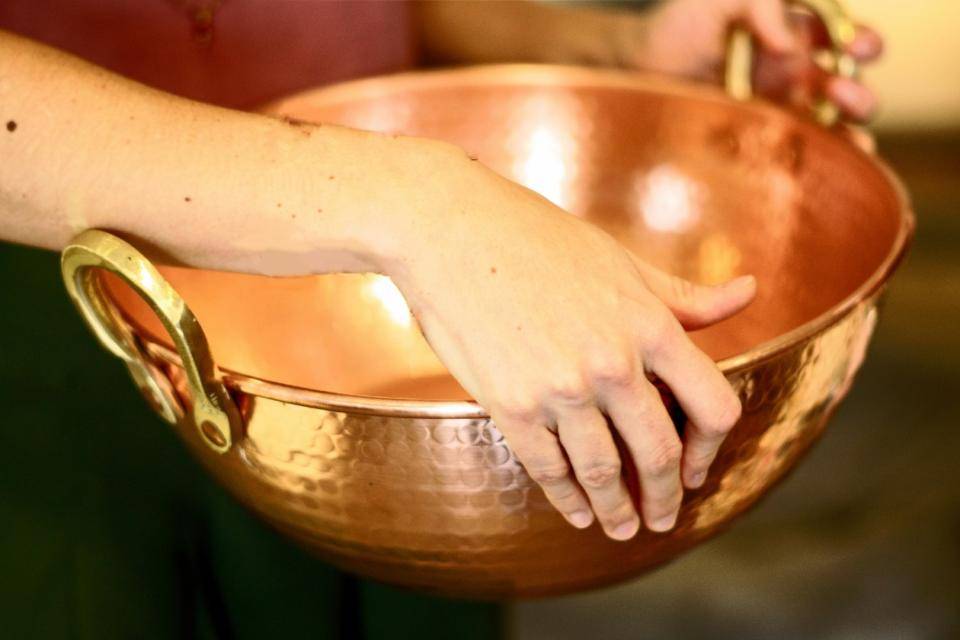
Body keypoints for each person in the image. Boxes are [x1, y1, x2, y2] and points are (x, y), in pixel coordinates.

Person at [0, 1, 882, 636]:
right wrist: (417, 205)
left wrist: (617, 48)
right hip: (61, 320)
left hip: (406, 303)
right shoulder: (421, 210)